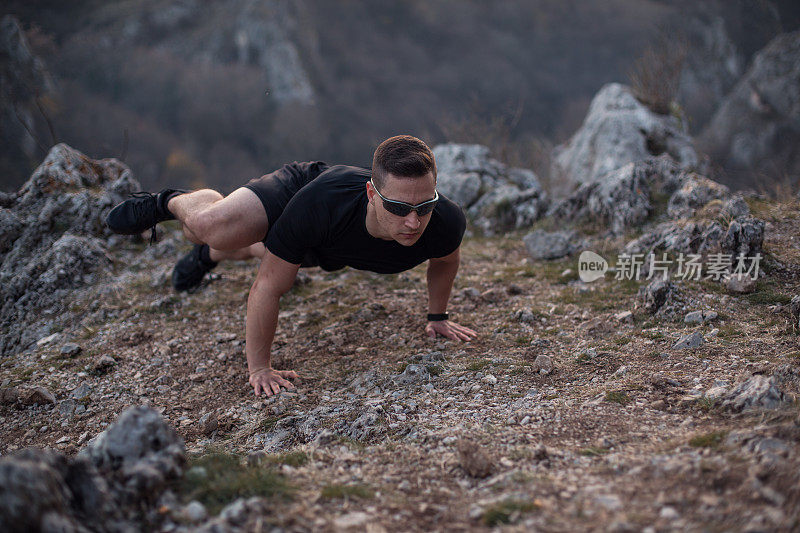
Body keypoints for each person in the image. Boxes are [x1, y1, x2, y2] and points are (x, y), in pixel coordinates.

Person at [106, 135, 477, 397]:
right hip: (298, 196)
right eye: (398, 208)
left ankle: (210, 258)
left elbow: (445, 261)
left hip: (328, 243)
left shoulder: (444, 221)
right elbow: (267, 287)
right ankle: (170, 201)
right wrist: (260, 369)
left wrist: (437, 316)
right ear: (371, 194)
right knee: (207, 229)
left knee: (261, 251)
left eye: (423, 206)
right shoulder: (320, 204)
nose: (413, 222)